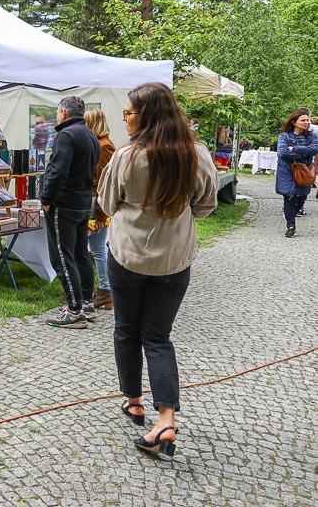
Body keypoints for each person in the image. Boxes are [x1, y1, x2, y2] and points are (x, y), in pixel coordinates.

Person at [98, 82, 217, 457]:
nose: (125, 119)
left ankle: (133, 400)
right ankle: (165, 418)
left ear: (146, 115)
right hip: (174, 260)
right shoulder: (197, 154)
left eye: (129, 113)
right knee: (158, 337)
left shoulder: (127, 156)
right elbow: (205, 206)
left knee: (126, 330)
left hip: (127, 255)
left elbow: (105, 204)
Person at [41, 96, 101, 329]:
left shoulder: (66, 135)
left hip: (64, 203)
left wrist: (46, 198)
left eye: (57, 112)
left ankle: (74, 310)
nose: (56, 116)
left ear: (64, 113)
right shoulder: (90, 135)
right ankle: (86, 302)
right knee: (79, 253)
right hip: (83, 202)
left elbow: (59, 171)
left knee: (62, 257)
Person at [84, 108, 116, 310]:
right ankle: (102, 291)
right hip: (93, 202)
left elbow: (104, 183)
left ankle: (105, 291)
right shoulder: (99, 144)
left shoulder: (104, 146)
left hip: (97, 205)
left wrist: (101, 215)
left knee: (98, 250)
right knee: (95, 249)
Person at [276, 108, 318, 236]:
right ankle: (291, 227)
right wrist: (304, 153)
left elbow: (314, 149)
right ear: (294, 122)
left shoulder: (312, 136)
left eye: (308, 120)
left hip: (304, 170)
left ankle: (290, 215)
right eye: (303, 120)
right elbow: (283, 152)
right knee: (289, 197)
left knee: (302, 196)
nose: (306, 123)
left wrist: (295, 148)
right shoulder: (284, 136)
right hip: (286, 170)